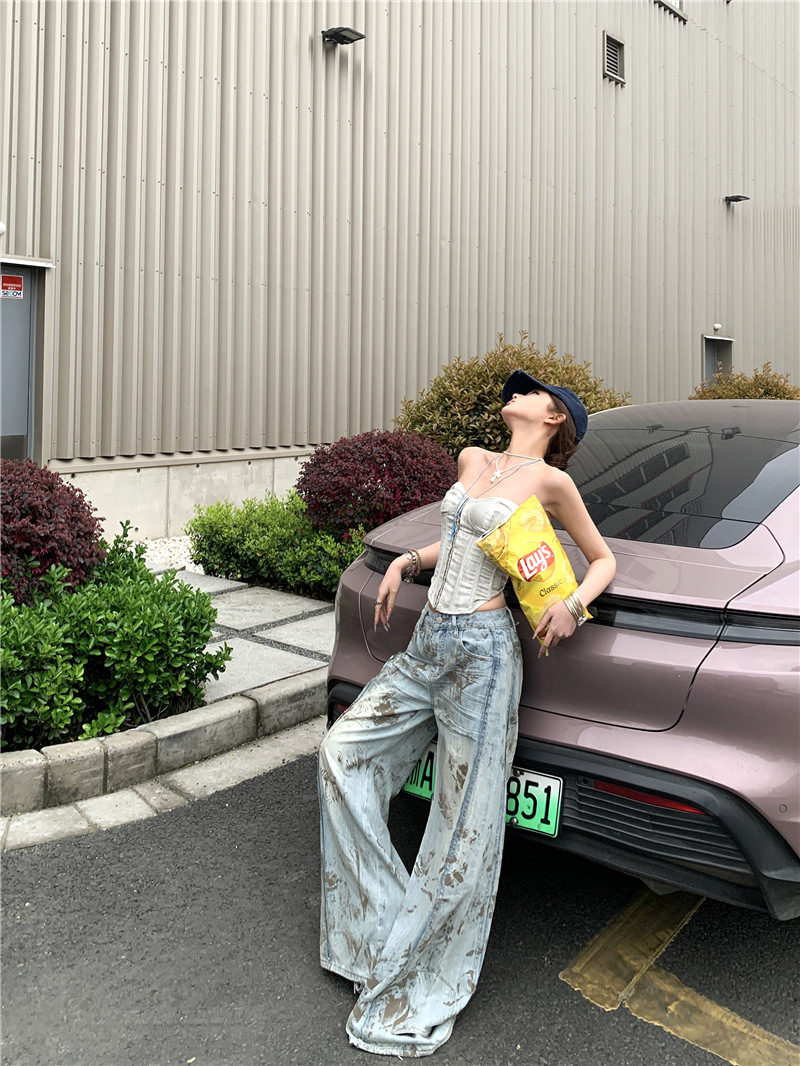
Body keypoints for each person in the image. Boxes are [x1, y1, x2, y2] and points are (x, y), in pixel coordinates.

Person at [317, 370, 616, 1057]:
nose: (516, 391)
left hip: (483, 655)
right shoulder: (473, 459)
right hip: (428, 643)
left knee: (461, 829)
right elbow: (459, 537)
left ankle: (415, 981)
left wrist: (572, 606)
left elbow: (602, 559)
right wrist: (405, 563)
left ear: (554, 417)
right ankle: (385, 934)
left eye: (531, 390)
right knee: (342, 755)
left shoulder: (551, 484)